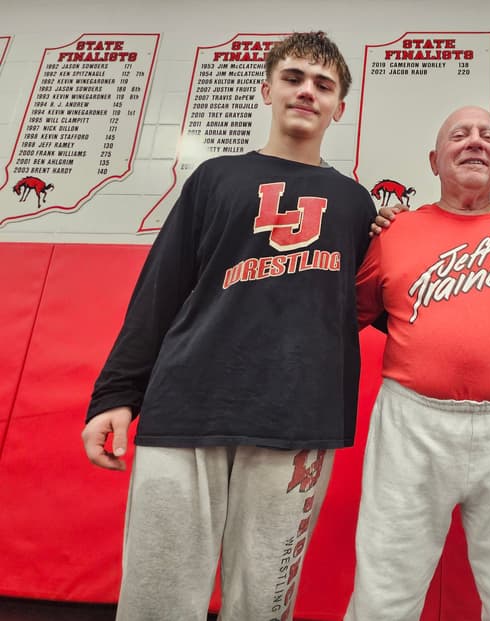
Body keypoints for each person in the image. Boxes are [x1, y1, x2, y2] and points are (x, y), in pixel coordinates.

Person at [81, 31, 376, 621]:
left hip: (300, 418)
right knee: (157, 599)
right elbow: (160, 289)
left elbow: (380, 305)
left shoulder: (356, 203)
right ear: (267, 89)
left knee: (263, 604)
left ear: (340, 108)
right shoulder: (214, 178)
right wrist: (116, 393)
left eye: (323, 85)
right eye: (293, 78)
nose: (306, 92)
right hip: (187, 405)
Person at [345, 106, 490, 621]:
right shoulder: (393, 232)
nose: (474, 142)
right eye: (459, 135)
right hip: (411, 425)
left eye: (487, 136)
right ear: (434, 160)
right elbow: (347, 316)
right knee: (385, 587)